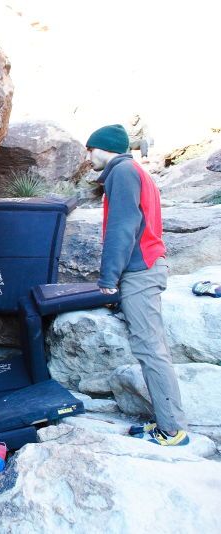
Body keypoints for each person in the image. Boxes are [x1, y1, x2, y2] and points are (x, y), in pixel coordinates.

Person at [85, 124, 188, 446]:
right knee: (150, 348)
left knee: (150, 350)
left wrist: (107, 278)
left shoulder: (123, 171)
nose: (87, 156)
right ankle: (165, 422)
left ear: (103, 148)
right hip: (145, 267)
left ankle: (172, 430)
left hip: (140, 271)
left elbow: (122, 227)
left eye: (90, 150)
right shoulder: (131, 171)